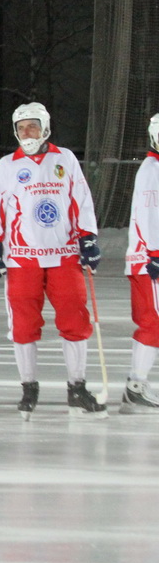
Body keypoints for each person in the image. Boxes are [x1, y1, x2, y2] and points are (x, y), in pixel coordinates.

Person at [0, 102, 103, 419]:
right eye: (21, 128)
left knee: (75, 321)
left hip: (64, 255)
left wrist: (88, 237)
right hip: (23, 260)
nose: (26, 133)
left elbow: (81, 200)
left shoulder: (65, 159)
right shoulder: (7, 166)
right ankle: (28, 387)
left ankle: (77, 388)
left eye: (32, 126)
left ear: (45, 128)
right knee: (23, 326)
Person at [124, 113, 159, 414]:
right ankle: (136, 387)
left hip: (149, 259)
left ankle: (137, 385)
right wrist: (155, 254)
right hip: (148, 261)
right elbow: (149, 216)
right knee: (153, 322)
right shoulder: (152, 170)